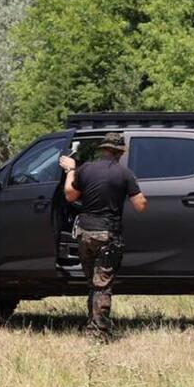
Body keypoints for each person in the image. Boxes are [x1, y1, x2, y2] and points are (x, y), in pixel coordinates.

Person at [59, 132, 147, 340]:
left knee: (93, 282)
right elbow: (141, 206)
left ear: (103, 150)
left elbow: (70, 195)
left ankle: (92, 323)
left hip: (84, 233)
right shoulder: (124, 174)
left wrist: (70, 170)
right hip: (107, 234)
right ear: (120, 152)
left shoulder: (85, 169)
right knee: (103, 284)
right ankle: (98, 332)